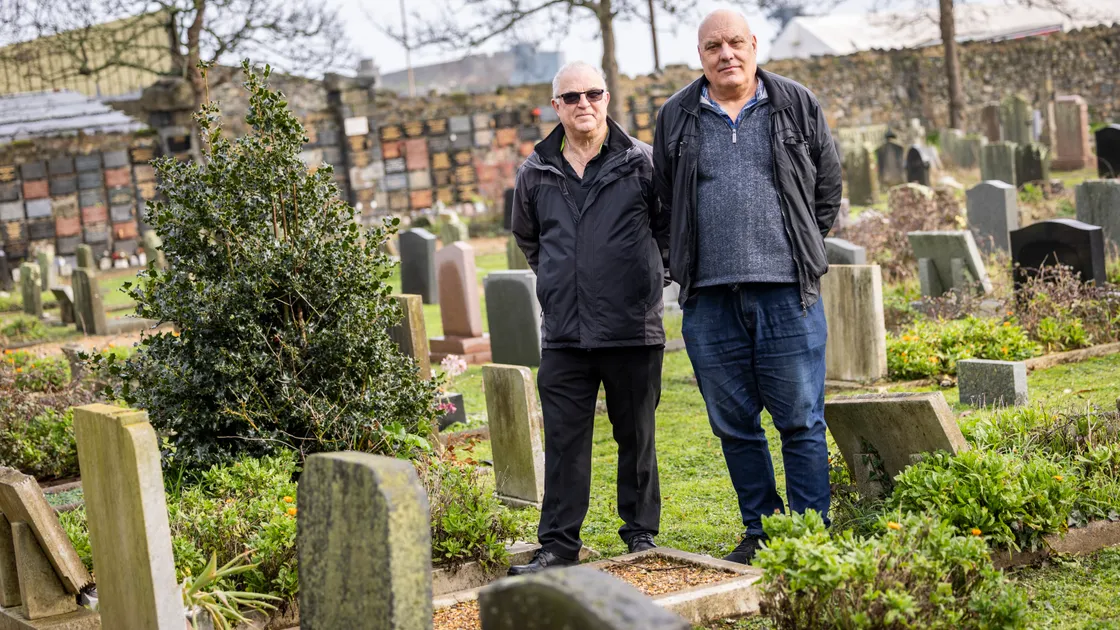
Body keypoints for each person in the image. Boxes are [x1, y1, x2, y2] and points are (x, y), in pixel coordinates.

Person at [651, 9, 843, 564]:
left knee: (801, 420)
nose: (726, 54)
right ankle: (760, 531)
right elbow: (664, 203)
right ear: (701, 55)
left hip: (788, 294)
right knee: (734, 425)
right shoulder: (677, 116)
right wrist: (680, 261)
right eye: (714, 46)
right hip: (709, 301)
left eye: (736, 42)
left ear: (755, 44)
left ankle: (809, 537)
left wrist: (800, 246)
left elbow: (825, 190)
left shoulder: (796, 104)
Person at [508, 61, 669, 575]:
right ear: (555, 106)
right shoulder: (535, 172)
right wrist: (562, 283)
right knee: (564, 443)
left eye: (593, 94)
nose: (584, 104)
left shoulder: (643, 162)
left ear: (606, 99)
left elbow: (667, 230)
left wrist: (647, 279)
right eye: (571, 97)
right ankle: (558, 545)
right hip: (565, 334)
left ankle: (640, 536)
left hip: (632, 328)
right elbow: (530, 240)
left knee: (636, 438)